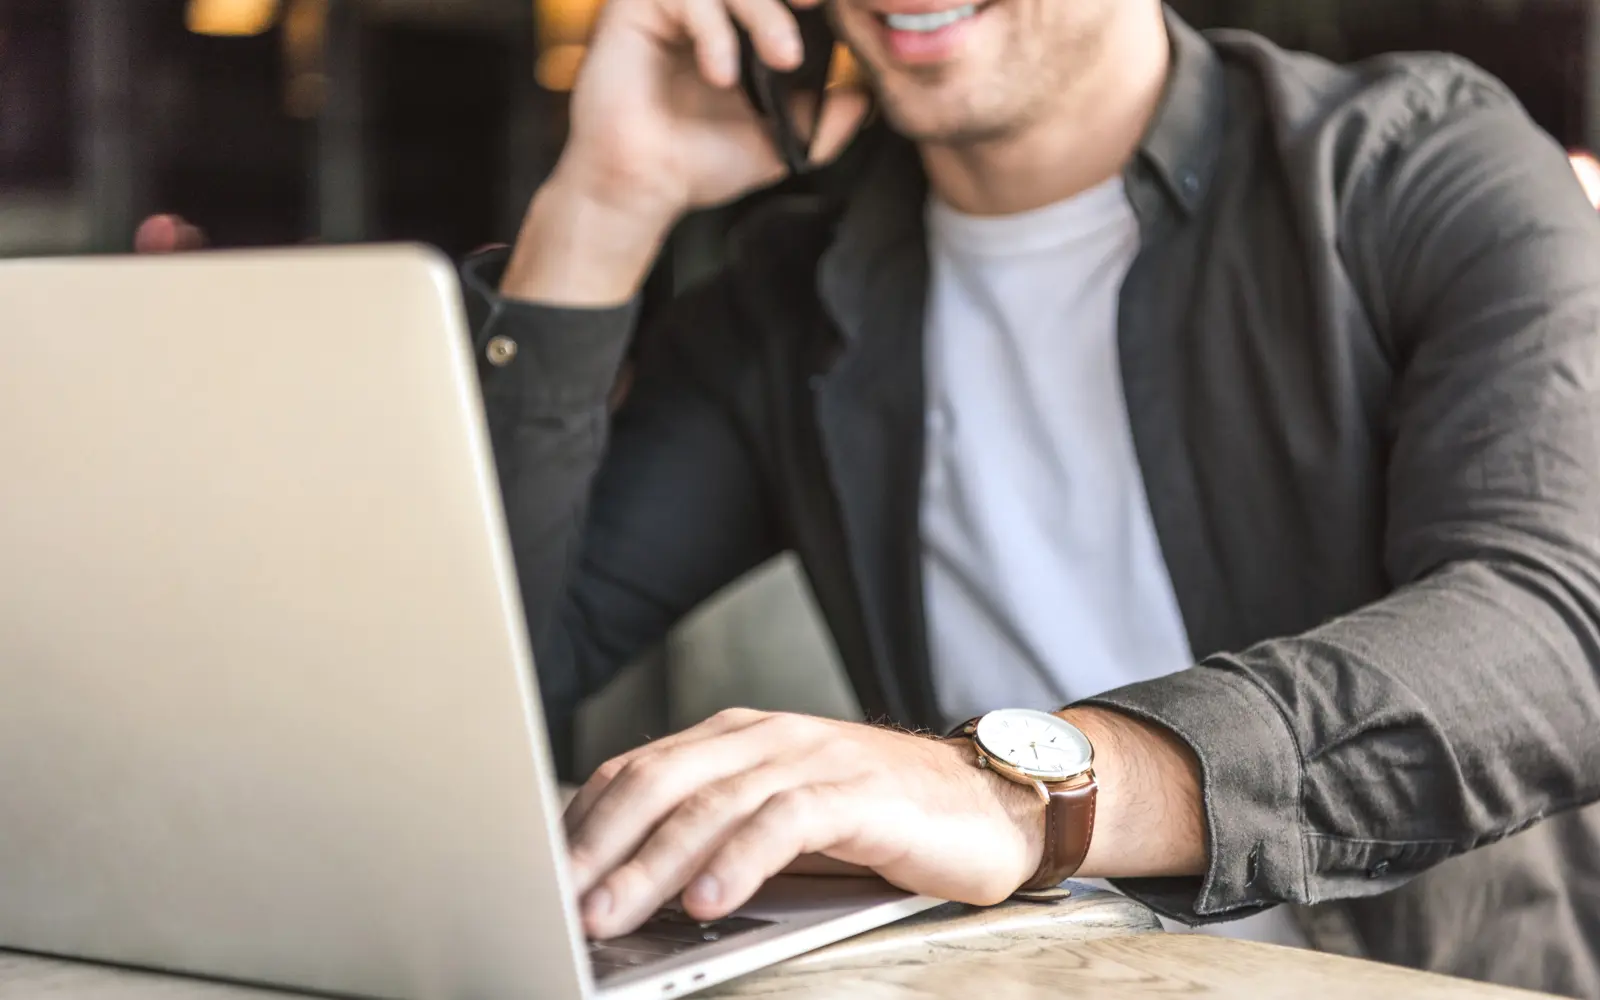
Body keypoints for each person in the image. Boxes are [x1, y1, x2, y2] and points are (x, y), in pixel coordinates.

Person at [144, 0, 1600, 993]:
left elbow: (1554, 630)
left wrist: (1023, 792)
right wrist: (606, 201)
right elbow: (467, 686)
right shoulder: (798, 293)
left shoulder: (1417, 164)